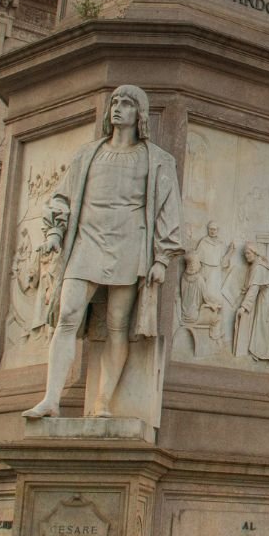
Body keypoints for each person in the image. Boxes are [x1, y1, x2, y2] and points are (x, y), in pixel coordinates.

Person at [25, 85, 185, 422]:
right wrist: (55, 232)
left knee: (117, 326)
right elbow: (62, 197)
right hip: (86, 244)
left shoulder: (157, 160)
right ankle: (51, 398)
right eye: (115, 102)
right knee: (66, 316)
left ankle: (103, 403)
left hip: (129, 247)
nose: (118, 109)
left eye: (127, 104)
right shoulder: (88, 154)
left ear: (139, 114)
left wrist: (161, 258)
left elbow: (168, 212)